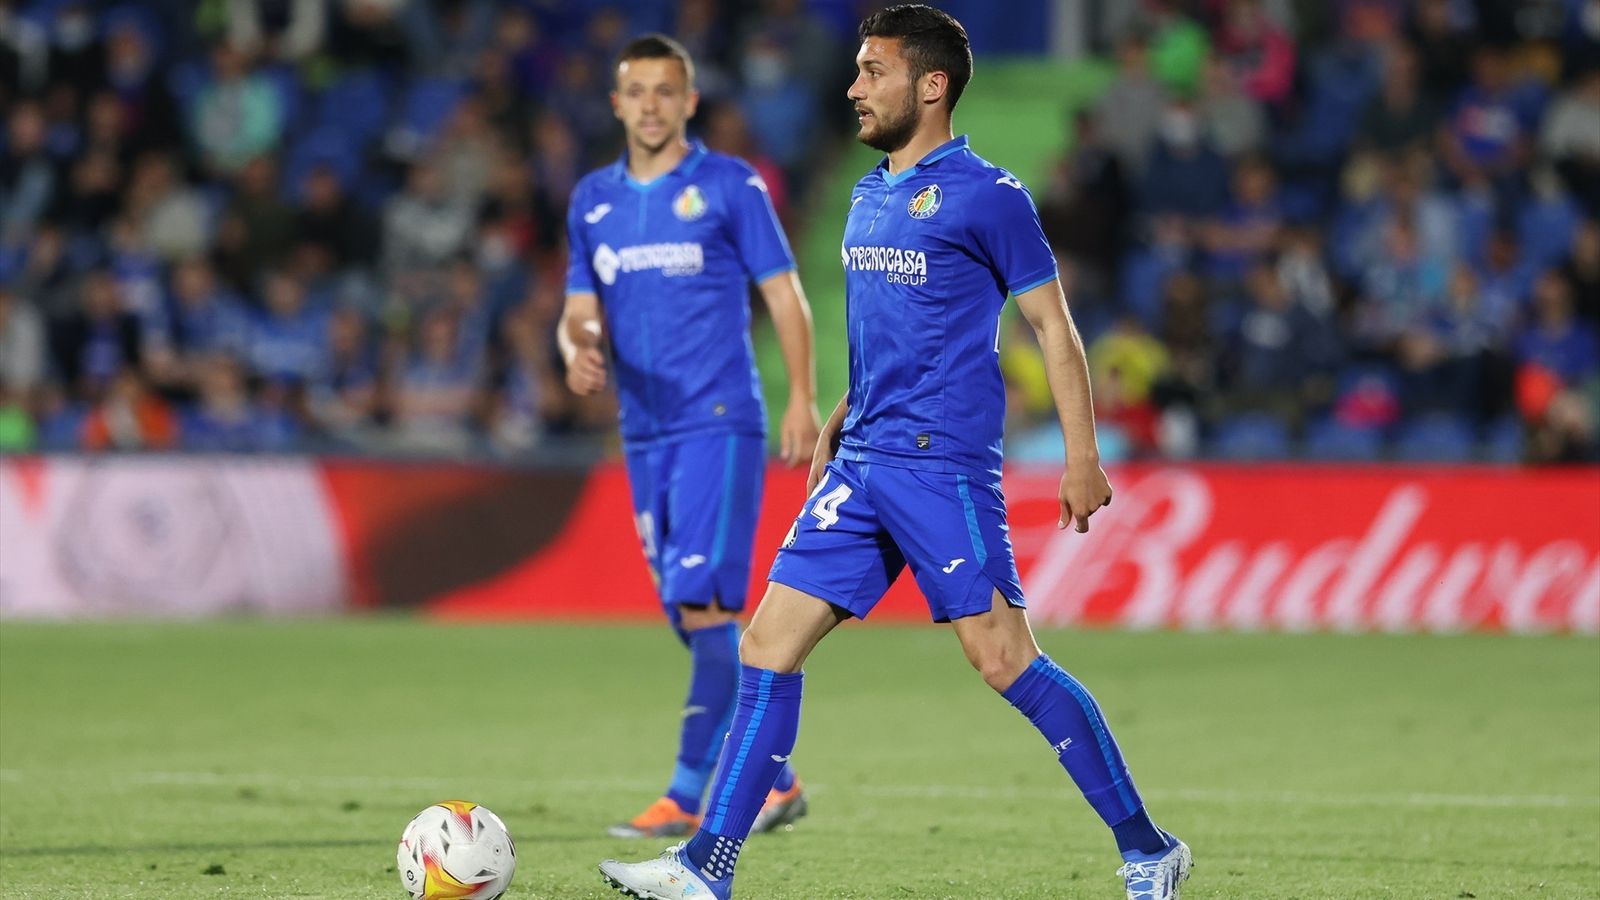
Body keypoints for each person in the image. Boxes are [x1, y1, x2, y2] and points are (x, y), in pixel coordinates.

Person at [599, 7, 1191, 899]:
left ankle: (1149, 848)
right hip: (864, 458)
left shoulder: (989, 196)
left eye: (872, 71)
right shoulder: (870, 191)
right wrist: (845, 406)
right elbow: (896, 329)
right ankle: (705, 866)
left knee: (1002, 661)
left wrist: (1082, 456)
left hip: (940, 464)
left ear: (931, 85)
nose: (853, 86)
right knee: (766, 645)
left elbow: (1053, 328)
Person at [561, 34, 821, 841]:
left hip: (718, 421)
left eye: (664, 91)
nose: (649, 104)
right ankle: (774, 778)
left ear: (688, 101)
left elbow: (785, 296)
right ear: (616, 103)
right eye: (635, 91)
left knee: (707, 606)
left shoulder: (727, 185)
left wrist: (802, 399)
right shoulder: (592, 201)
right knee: (688, 612)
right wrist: (578, 350)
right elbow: (577, 308)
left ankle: (685, 792)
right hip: (643, 433)